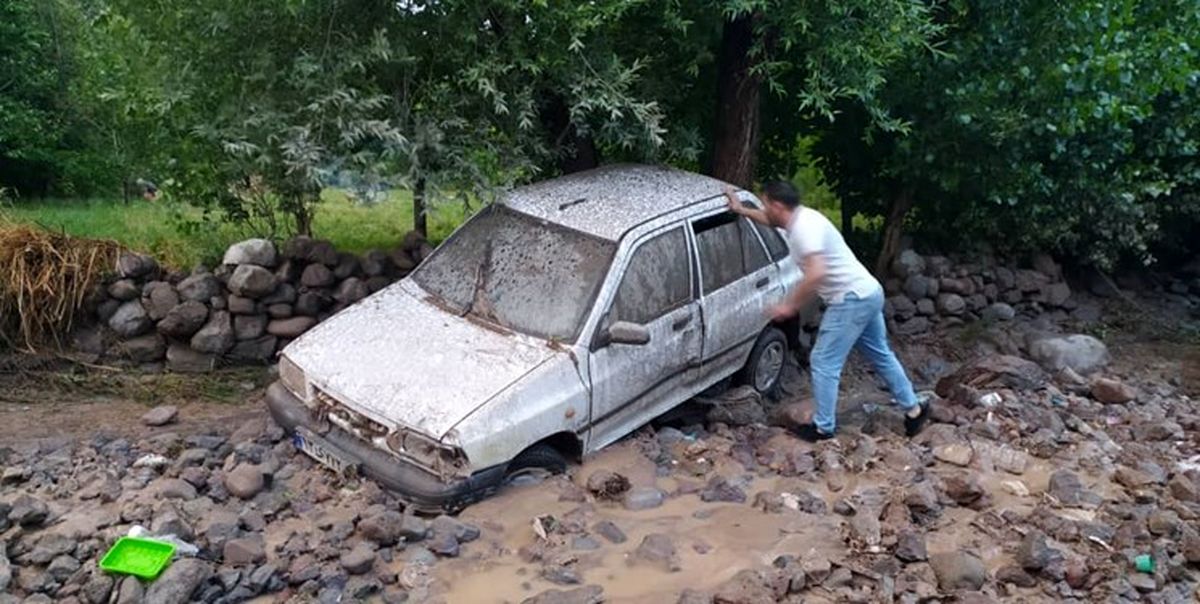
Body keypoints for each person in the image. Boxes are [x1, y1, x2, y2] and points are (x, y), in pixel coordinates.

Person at [724, 181, 931, 441]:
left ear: (778, 205)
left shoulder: (804, 230)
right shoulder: (799, 219)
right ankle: (914, 409)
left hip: (850, 300)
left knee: (823, 361)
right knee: (880, 354)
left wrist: (789, 305)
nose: (765, 210)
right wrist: (741, 209)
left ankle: (823, 428)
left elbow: (816, 273)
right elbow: (768, 219)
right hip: (868, 291)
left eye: (767, 204)